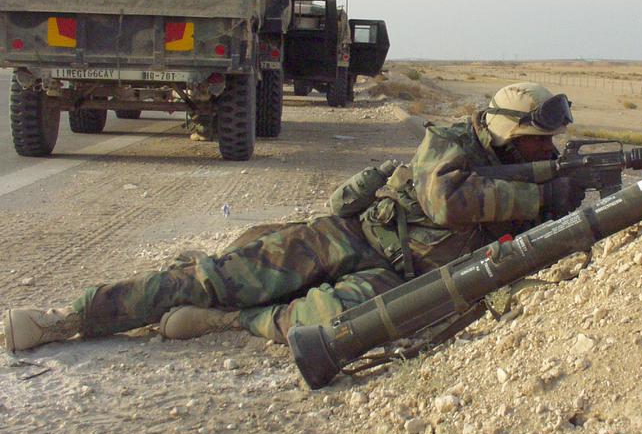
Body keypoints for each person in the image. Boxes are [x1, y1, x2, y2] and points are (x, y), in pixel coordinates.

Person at [3, 82, 585, 353]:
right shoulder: (451, 141)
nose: (552, 151)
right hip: (354, 235)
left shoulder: (538, 171)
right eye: (543, 140)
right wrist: (542, 199)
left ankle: (230, 322)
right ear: (514, 134)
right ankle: (70, 318)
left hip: (404, 276)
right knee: (218, 277)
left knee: (328, 326)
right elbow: (445, 203)